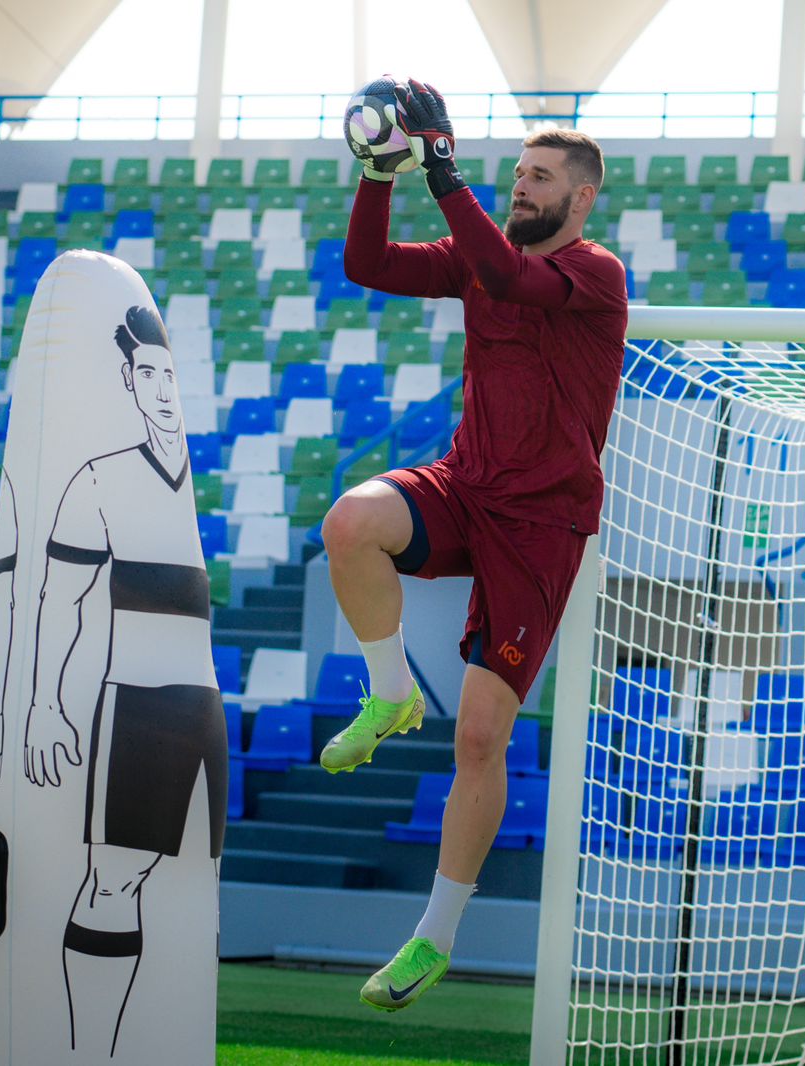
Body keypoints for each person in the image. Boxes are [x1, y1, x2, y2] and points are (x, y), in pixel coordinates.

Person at [322, 79, 628, 1011]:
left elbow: (508, 278)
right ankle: (390, 691)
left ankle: (435, 936)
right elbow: (367, 264)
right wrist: (380, 174)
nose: (521, 185)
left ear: (581, 197)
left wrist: (443, 171)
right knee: (350, 524)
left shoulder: (597, 274)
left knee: (482, 736)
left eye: (540, 178)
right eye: (518, 173)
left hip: (542, 525)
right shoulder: (480, 250)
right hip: (467, 485)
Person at [22, 304, 228, 1055]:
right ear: (129, 382)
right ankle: (88, 1050)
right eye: (149, 374)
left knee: (194, 887)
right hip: (136, 706)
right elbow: (60, 599)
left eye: (171, 373)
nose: (164, 389)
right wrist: (44, 704)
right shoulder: (99, 481)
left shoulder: (196, 482)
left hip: (202, 707)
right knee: (113, 880)